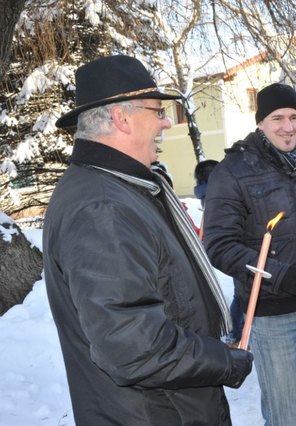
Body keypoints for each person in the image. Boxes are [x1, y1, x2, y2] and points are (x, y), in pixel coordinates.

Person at [43, 55, 253, 425]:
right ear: (121, 118)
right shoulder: (103, 207)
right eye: (157, 111)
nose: (166, 122)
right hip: (153, 413)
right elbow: (132, 346)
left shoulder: (124, 189)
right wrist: (222, 361)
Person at [203, 82, 296, 426]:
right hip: (273, 316)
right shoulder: (233, 171)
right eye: (277, 118)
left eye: (294, 117)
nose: (288, 126)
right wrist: (279, 274)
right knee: (285, 417)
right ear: (261, 122)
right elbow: (220, 245)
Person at [194, 159, 244, 346]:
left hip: (228, 244)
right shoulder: (217, 192)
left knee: (240, 293)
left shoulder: (207, 192)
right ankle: (236, 332)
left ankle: (237, 330)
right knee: (240, 293)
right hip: (233, 244)